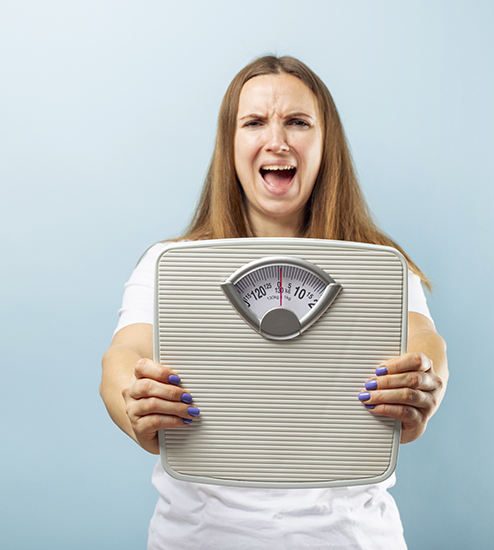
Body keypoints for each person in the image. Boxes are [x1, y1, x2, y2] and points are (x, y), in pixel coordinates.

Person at [100, 55, 448, 549]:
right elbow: (122, 355)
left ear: (326, 144)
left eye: (298, 122)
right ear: (231, 145)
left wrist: (423, 383)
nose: (277, 140)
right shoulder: (167, 263)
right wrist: (131, 398)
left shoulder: (380, 265)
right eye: (255, 122)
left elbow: (425, 340)